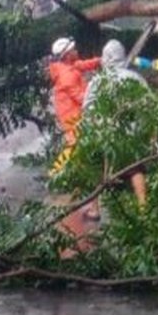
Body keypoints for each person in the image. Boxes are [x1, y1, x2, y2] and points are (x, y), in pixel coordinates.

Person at [46, 36, 100, 255]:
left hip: (73, 118)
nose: (77, 51)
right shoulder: (68, 76)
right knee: (78, 153)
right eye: (74, 49)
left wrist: (99, 61)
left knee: (77, 153)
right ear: (67, 54)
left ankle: (60, 177)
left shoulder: (67, 67)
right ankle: (56, 176)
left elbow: (82, 65)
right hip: (73, 119)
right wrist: (100, 89)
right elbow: (85, 99)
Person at [84, 39, 150, 206]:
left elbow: (88, 109)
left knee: (96, 168)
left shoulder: (97, 81)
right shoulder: (135, 78)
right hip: (131, 134)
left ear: (105, 57)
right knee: (135, 168)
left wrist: (90, 131)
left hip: (103, 134)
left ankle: (94, 208)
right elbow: (149, 105)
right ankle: (143, 207)